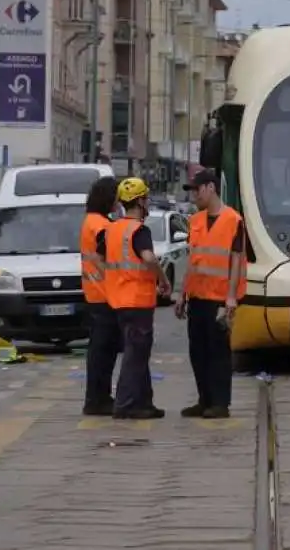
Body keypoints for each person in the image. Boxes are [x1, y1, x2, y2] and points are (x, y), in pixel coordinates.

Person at [96, 177, 171, 420]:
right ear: (139, 201)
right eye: (146, 199)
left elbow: (99, 258)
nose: (147, 203)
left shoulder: (111, 229)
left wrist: (111, 279)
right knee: (135, 354)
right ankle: (126, 404)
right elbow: (148, 258)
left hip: (118, 301)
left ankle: (144, 403)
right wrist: (163, 279)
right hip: (138, 301)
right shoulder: (139, 230)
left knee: (137, 353)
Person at [175, 169, 247, 419]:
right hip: (197, 296)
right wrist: (182, 294)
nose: (194, 195)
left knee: (218, 352)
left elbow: (236, 260)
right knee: (198, 351)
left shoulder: (233, 220)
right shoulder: (195, 221)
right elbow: (193, 260)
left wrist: (230, 298)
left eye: (197, 190)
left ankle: (220, 403)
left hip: (219, 297)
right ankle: (204, 400)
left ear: (211, 188)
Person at [80, 176, 121, 416]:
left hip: (96, 294)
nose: (119, 201)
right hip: (103, 295)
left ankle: (99, 397)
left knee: (101, 351)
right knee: (102, 353)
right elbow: (111, 257)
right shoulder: (100, 226)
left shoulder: (93, 221)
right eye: (117, 197)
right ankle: (97, 399)